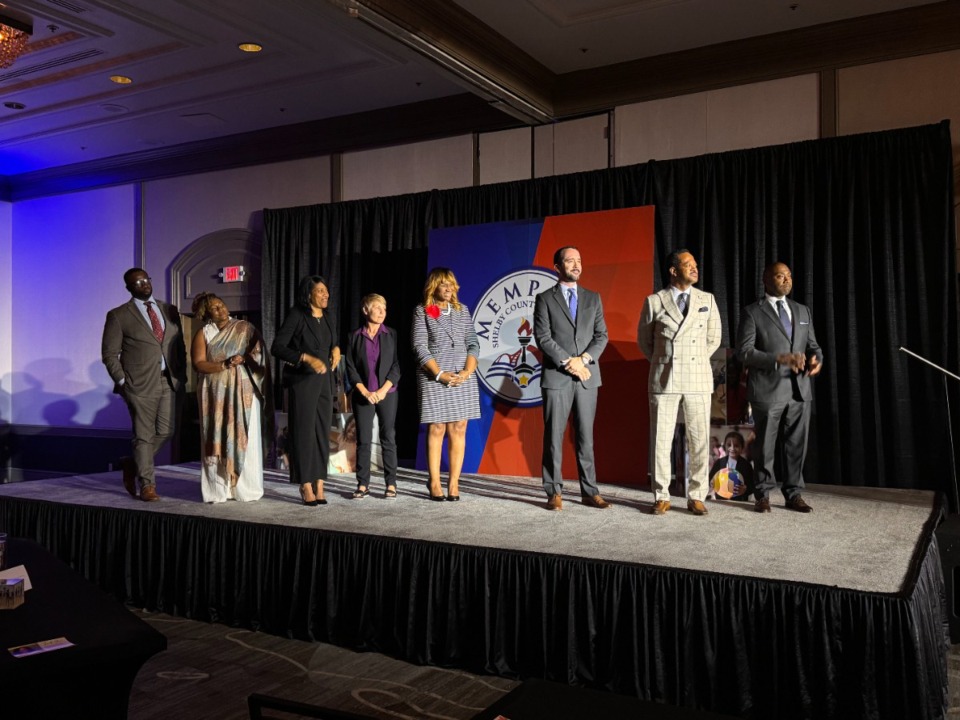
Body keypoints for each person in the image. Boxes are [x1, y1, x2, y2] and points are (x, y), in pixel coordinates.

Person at [638, 250, 721, 516]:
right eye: (688, 265)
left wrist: (692, 362)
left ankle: (696, 496)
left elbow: (714, 338)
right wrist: (666, 361)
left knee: (698, 441)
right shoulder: (654, 301)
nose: (695, 269)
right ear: (673, 271)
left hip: (697, 377)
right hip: (665, 377)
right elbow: (645, 342)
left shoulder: (707, 299)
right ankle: (661, 495)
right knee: (661, 439)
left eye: (696, 265)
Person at [736, 262, 823, 513]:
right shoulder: (752, 312)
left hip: (799, 390)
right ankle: (762, 493)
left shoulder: (802, 311)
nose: (786, 280)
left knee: (797, 446)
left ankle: (793, 493)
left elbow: (814, 346)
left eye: (789, 275)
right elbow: (744, 352)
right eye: (780, 275)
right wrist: (779, 359)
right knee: (765, 446)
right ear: (765, 279)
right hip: (767, 390)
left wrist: (817, 359)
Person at [533, 246, 610, 511]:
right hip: (557, 377)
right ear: (557, 267)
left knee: (585, 437)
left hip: (588, 376)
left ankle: (590, 492)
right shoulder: (544, 298)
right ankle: (553, 491)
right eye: (570, 260)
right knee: (554, 436)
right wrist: (570, 363)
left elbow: (601, 336)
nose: (576, 265)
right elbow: (543, 338)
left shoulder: (593, 298)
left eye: (579, 260)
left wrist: (583, 360)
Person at [101, 268, 187, 501]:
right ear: (129, 288)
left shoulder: (169, 310)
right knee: (143, 435)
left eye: (146, 279)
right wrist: (123, 382)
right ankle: (147, 485)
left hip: (169, 380)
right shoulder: (119, 315)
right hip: (138, 384)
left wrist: (182, 374)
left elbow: (178, 346)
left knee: (167, 431)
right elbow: (109, 355)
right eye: (137, 282)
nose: (144, 284)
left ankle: (132, 462)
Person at [190, 292, 270, 503]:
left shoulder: (245, 328)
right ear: (207, 313)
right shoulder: (204, 333)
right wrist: (223, 365)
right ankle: (218, 491)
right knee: (215, 436)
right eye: (215, 308)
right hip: (214, 393)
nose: (222, 310)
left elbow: (260, 355)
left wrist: (244, 358)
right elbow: (198, 363)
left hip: (243, 392)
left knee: (245, 436)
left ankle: (246, 489)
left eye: (222, 305)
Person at [271, 275, 341, 506]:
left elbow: (332, 342)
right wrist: (306, 358)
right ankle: (305, 484)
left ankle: (320, 482)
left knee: (322, 432)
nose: (326, 294)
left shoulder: (329, 317)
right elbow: (278, 347)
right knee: (303, 433)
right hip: (303, 383)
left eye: (326, 290)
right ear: (308, 294)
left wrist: (337, 349)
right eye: (320, 291)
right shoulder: (297, 315)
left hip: (324, 383)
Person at [412, 268, 480, 501]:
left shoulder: (462, 311)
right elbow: (420, 346)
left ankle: (453, 483)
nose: (449, 288)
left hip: (462, 376)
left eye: (452, 284)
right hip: (435, 376)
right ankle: (434, 481)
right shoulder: (424, 311)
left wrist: (467, 371)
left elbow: (473, 344)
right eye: (444, 284)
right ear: (434, 287)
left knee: (459, 427)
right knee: (437, 428)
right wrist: (439, 373)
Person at [345, 293, 401, 498]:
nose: (382, 312)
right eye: (377, 308)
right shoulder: (354, 336)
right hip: (363, 394)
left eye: (384, 309)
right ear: (365, 310)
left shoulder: (391, 334)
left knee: (388, 436)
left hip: (387, 393)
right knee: (364, 440)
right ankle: (362, 484)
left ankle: (391, 484)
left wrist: (382, 391)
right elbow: (350, 368)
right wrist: (365, 391)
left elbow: (396, 367)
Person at [709, 431, 755, 501]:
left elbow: (753, 485)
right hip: (721, 499)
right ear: (724, 446)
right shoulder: (719, 462)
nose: (732, 448)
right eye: (729, 445)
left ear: (742, 447)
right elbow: (710, 478)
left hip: (739, 500)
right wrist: (711, 482)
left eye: (736, 446)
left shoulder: (746, 465)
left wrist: (745, 489)